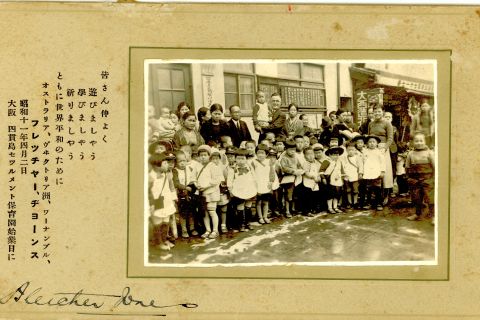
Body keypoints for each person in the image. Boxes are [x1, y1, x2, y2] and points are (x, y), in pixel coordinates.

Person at [148, 152, 177, 251]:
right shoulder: (150, 178)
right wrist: (151, 204)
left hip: (167, 202)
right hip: (156, 204)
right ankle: (158, 243)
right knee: (158, 223)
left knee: (166, 222)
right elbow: (148, 192)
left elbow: (171, 187)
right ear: (157, 165)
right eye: (164, 163)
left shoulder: (167, 175)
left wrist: (173, 199)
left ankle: (164, 240)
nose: (167, 165)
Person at [405, 132, 435, 225]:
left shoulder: (430, 153)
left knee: (430, 198)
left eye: (421, 141)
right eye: (416, 141)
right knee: (416, 198)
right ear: (413, 142)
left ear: (425, 142)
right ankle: (417, 214)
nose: (419, 143)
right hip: (415, 180)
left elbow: (435, 166)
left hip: (428, 179)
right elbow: (407, 166)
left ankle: (434, 216)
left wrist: (434, 178)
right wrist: (408, 177)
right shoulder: (411, 154)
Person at [368, 105, 394, 204]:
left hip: (383, 149)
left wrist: (384, 148)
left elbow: (390, 139)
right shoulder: (371, 124)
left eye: (379, 111)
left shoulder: (387, 123)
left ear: (383, 112)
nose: (377, 113)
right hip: (373, 149)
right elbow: (369, 137)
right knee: (374, 171)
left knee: (385, 173)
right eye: (375, 112)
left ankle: (385, 195)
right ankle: (376, 195)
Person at [196, 145, 222, 239]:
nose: (203, 157)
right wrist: (197, 186)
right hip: (202, 193)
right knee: (205, 212)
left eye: (205, 155)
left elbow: (216, 180)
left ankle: (215, 230)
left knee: (212, 211)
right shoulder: (198, 167)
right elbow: (194, 178)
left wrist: (205, 186)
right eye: (201, 155)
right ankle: (207, 230)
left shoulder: (213, 166)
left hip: (211, 192)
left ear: (209, 156)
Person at [229, 148, 257, 232]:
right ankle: (241, 224)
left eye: (242, 159)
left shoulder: (249, 167)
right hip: (238, 190)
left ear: (246, 159)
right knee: (240, 206)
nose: (240, 161)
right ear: (235, 158)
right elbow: (229, 180)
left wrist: (255, 186)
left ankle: (248, 222)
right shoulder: (233, 168)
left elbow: (254, 177)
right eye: (238, 158)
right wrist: (230, 190)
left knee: (248, 206)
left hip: (248, 188)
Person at [172, 150, 197, 238]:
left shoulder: (189, 169)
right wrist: (185, 187)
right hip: (181, 194)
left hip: (190, 193)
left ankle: (192, 228)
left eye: (184, 161)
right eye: (180, 161)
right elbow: (176, 183)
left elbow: (193, 178)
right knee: (183, 214)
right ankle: (184, 230)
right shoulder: (175, 171)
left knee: (191, 212)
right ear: (176, 162)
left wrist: (192, 187)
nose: (182, 163)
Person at [279, 139, 304, 218]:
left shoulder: (295, 157)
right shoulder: (284, 158)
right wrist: (293, 171)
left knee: (295, 194)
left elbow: (299, 165)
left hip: (296, 178)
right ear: (286, 149)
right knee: (288, 195)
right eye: (290, 150)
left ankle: (293, 208)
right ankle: (287, 210)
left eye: (294, 150)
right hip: (288, 178)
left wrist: (300, 170)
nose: (292, 152)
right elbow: (284, 168)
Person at [251, 144, 275, 224]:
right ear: (256, 153)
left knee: (265, 201)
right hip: (258, 184)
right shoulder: (254, 162)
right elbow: (252, 174)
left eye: (262, 153)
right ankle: (260, 217)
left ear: (266, 154)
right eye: (258, 153)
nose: (260, 155)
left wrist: (271, 181)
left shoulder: (269, 162)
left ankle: (265, 216)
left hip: (266, 183)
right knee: (258, 202)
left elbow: (272, 172)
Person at [362, 135, 385, 211]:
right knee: (368, 189)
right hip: (368, 172)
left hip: (376, 172)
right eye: (370, 142)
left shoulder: (379, 152)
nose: (372, 143)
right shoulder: (365, 151)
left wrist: (382, 171)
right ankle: (368, 203)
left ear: (377, 143)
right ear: (367, 143)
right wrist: (362, 172)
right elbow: (363, 162)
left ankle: (379, 203)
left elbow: (382, 163)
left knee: (377, 188)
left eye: (373, 142)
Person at [298, 147, 320, 216]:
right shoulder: (306, 163)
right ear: (304, 156)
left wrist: (318, 177)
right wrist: (313, 177)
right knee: (307, 197)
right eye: (308, 154)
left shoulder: (315, 163)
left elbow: (317, 171)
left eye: (312, 154)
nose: (310, 156)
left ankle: (313, 208)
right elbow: (306, 173)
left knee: (314, 196)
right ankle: (306, 211)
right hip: (308, 181)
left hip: (315, 182)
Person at [324, 147, 345, 214]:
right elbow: (321, 171)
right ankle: (330, 208)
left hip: (338, 181)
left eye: (337, 154)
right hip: (329, 180)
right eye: (333, 154)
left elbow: (341, 171)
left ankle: (335, 207)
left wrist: (342, 177)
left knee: (336, 195)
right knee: (330, 195)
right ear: (329, 155)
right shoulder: (327, 161)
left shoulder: (339, 162)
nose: (335, 156)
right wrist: (323, 178)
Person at [343, 142, 364, 209]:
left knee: (355, 190)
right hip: (347, 176)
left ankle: (355, 202)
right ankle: (349, 202)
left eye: (352, 150)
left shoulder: (357, 158)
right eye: (349, 150)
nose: (351, 151)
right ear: (346, 150)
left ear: (355, 150)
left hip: (355, 176)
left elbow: (360, 166)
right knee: (348, 190)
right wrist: (343, 174)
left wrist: (360, 173)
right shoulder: (344, 158)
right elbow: (343, 167)